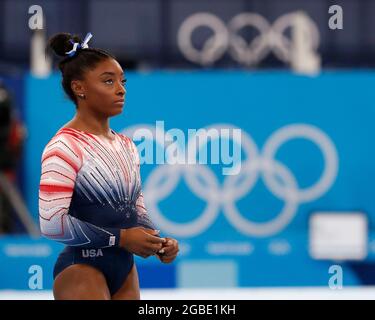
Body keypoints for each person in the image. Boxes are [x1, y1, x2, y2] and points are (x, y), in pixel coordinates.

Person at [39, 32, 179, 300]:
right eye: (108, 81)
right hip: (81, 268)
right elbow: (51, 224)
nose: (121, 89)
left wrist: (158, 241)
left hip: (125, 269)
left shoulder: (126, 145)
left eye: (122, 81)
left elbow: (135, 208)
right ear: (79, 88)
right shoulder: (64, 147)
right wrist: (122, 239)